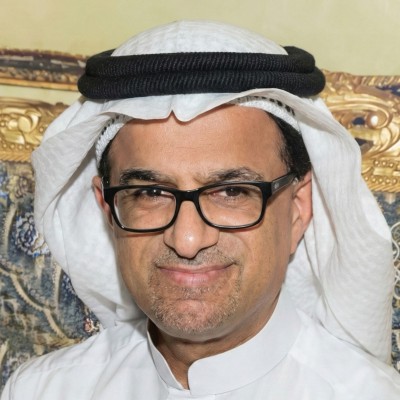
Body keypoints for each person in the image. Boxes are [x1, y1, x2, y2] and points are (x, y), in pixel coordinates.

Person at [2, 20, 400, 399]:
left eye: (231, 191)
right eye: (150, 193)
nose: (187, 240)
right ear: (108, 209)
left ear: (297, 208)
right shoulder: (41, 391)